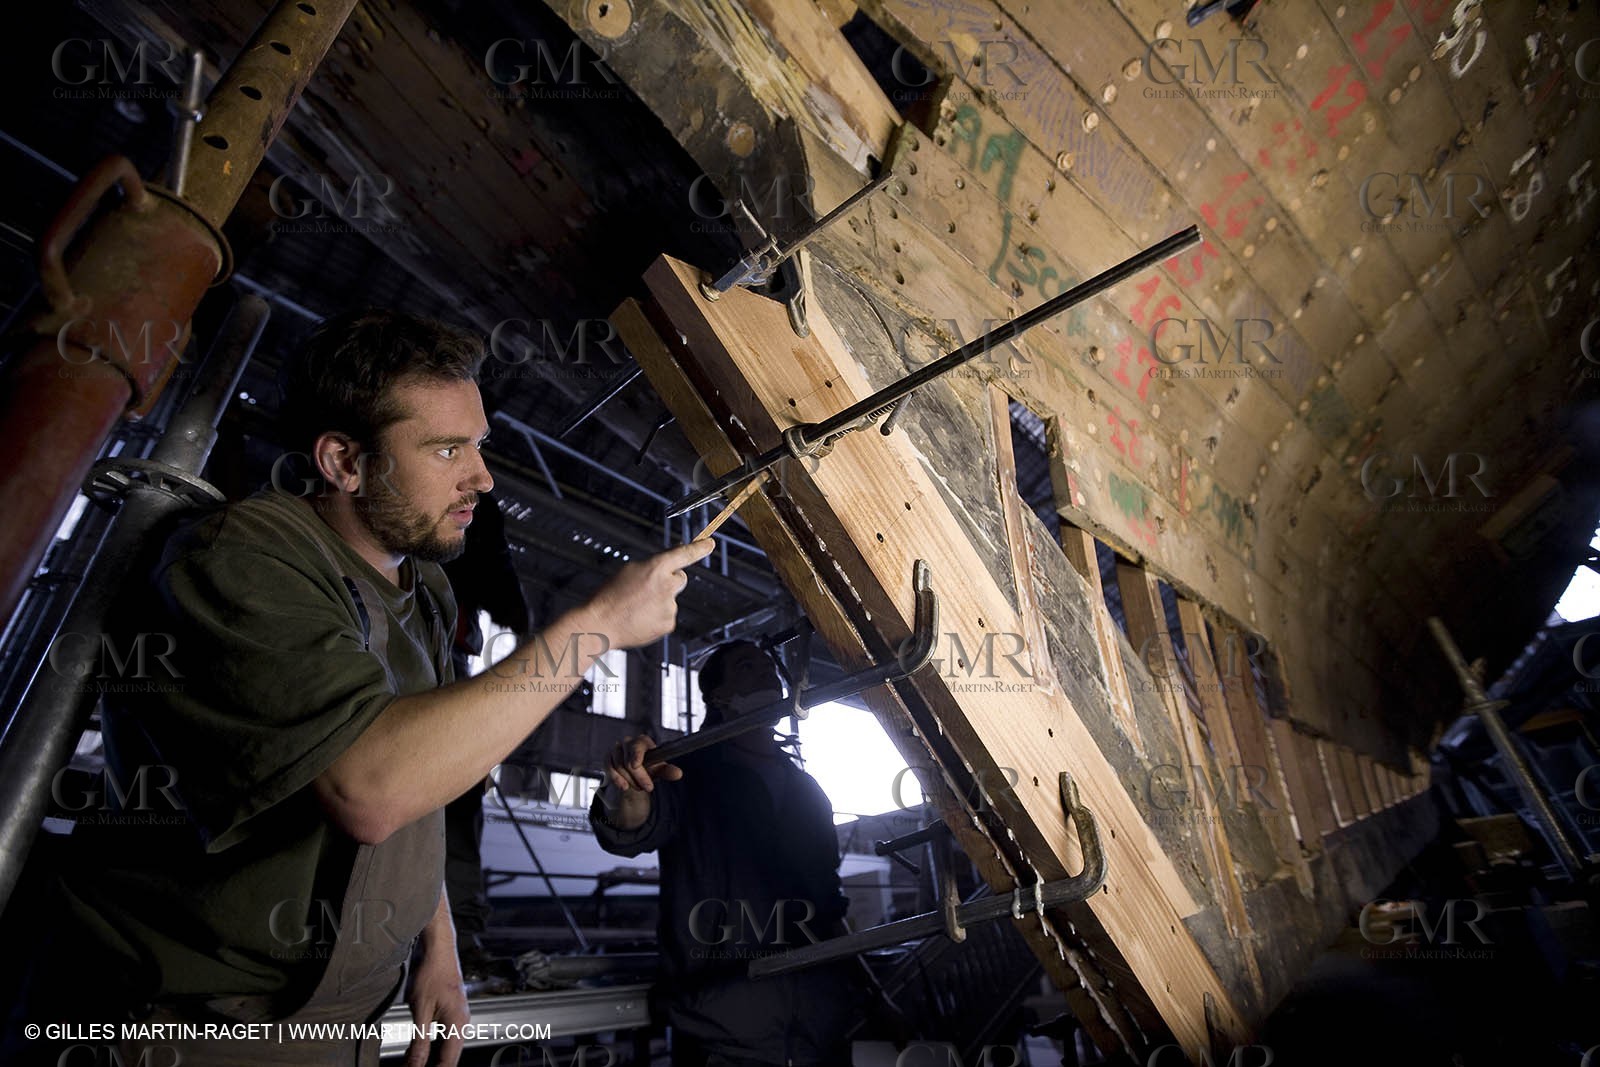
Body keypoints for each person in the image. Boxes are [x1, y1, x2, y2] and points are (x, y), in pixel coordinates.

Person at [21, 309, 713, 1067]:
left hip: (339, 1023)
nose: (481, 477)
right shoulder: (243, 557)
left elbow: (424, 781)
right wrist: (598, 627)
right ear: (344, 462)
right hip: (187, 1029)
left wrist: (436, 946)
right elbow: (371, 787)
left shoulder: (427, 591)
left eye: (477, 445)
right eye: (447, 449)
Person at [590, 641, 858, 1067]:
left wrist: (867, 991)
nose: (767, 673)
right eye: (747, 666)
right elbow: (631, 825)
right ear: (717, 697)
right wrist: (629, 784)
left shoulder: (808, 792)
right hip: (723, 1032)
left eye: (770, 665)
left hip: (819, 1029)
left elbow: (829, 900)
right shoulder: (685, 770)